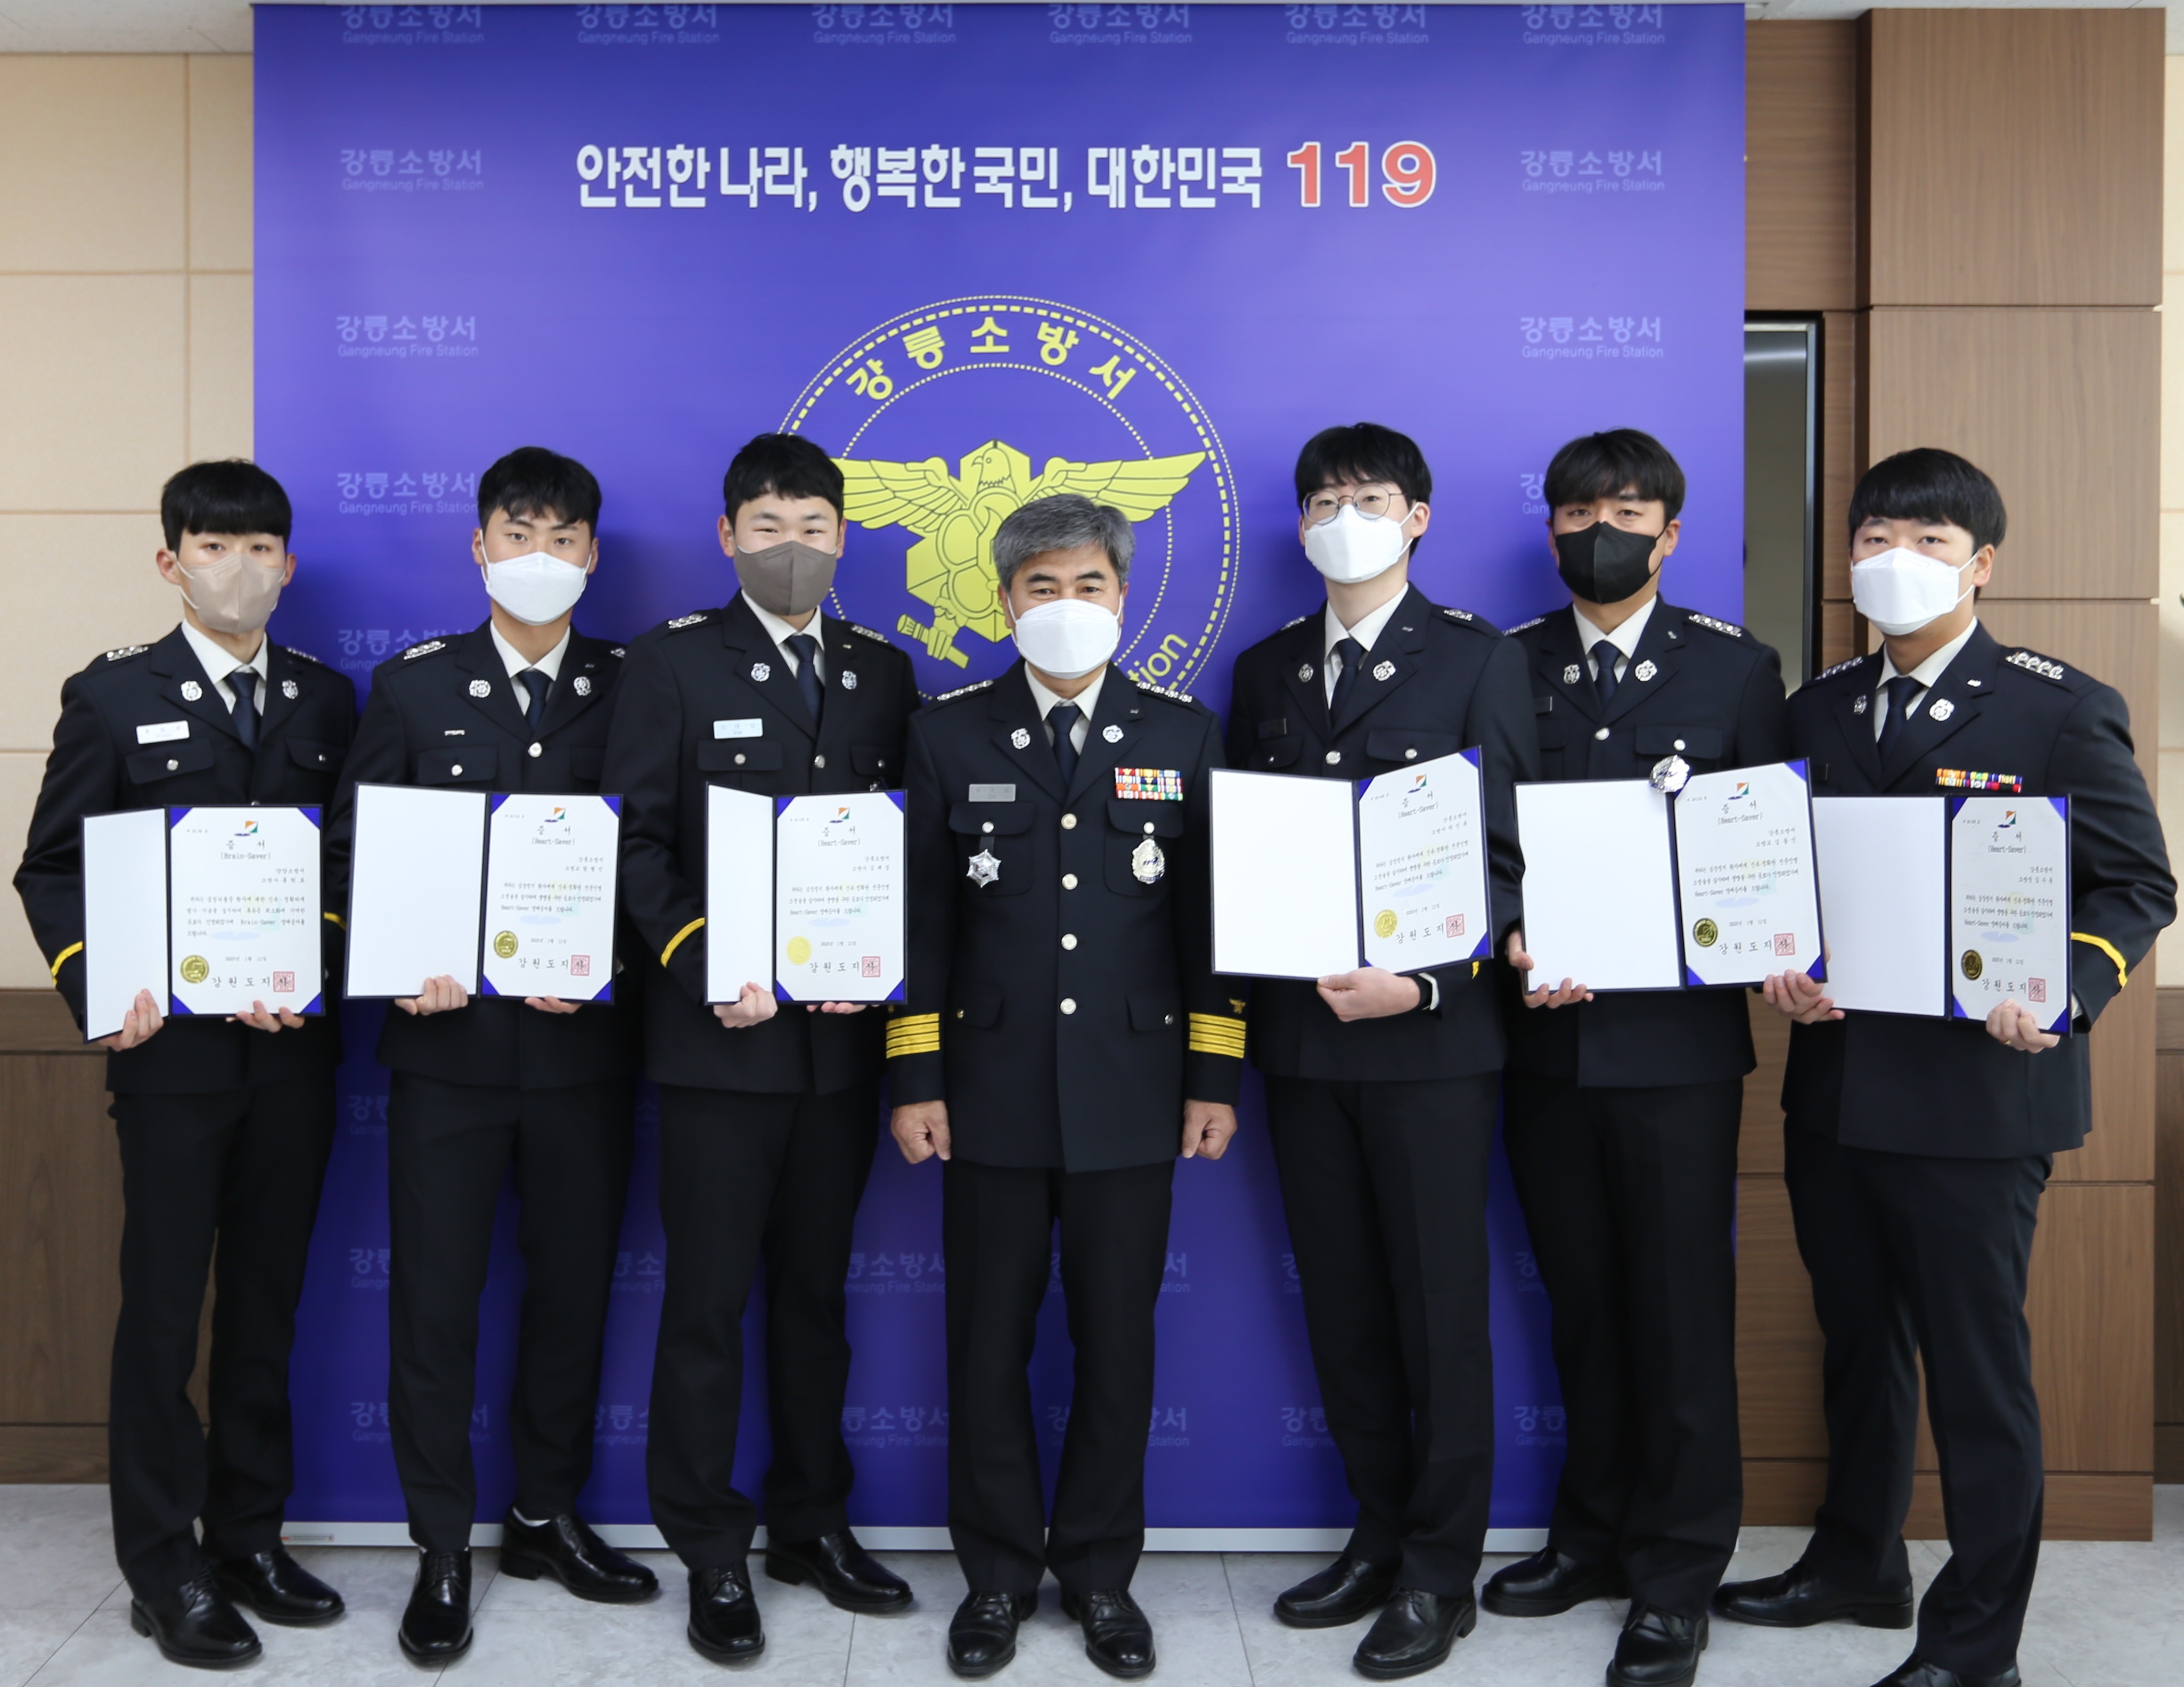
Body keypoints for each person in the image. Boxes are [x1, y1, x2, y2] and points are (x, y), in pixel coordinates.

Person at [1716, 449, 2174, 1687]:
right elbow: (1781, 880)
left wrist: (2065, 989)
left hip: (1980, 1098)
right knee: (1856, 1346)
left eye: (1927, 541)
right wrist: (1780, 961)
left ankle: (1975, 1647)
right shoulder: (1814, 708)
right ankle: (1855, 1565)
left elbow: (2136, 884)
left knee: (1977, 1377)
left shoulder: (2055, 707)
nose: (1895, 560)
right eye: (1875, 537)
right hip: (1836, 1089)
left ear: (1980, 566)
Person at [886, 493, 1241, 1681]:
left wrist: (1212, 1076)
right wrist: (916, 1077)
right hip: (983, 1092)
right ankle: (994, 1576)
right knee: (984, 1346)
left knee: (1117, 1347)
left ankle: (1097, 1575)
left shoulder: (1183, 735)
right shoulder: (947, 735)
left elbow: (1207, 931)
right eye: (1042, 587)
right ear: (1004, 602)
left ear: (1122, 598)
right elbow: (921, 928)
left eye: (1088, 584)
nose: (1066, 604)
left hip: (1133, 1092)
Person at [13, 461, 354, 1669]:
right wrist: (99, 990)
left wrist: (307, 963)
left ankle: (248, 1538)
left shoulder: (325, 699)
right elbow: (52, 867)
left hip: (291, 1056)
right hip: (168, 1061)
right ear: (171, 562)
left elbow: (345, 865)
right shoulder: (113, 695)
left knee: (264, 1307)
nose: (238, 568)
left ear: (288, 565)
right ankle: (164, 1567)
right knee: (163, 1314)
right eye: (214, 547)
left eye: (260, 548)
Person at [323, 446, 655, 1664]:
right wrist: (397, 960)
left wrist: (611, 964)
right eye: (519, 533)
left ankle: (542, 1516)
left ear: (592, 555)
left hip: (584, 1055)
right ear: (478, 546)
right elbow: (355, 851)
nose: (540, 555)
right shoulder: (413, 687)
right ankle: (441, 1545)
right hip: (447, 1054)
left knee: (571, 1297)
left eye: (563, 537)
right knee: (435, 1303)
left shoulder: (635, 684)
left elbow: (657, 851)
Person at [602, 431, 921, 1666]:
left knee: (814, 1302)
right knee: (706, 1304)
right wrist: (699, 958)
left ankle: (810, 1523)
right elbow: (633, 838)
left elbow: (904, 847)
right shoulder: (671, 663)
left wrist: (871, 968)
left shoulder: (883, 670)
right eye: (768, 528)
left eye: (812, 529)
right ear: (728, 535)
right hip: (716, 1048)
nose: (791, 548)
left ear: (844, 537)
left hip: (839, 1055)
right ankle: (708, 1546)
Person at [1223, 422, 1535, 1680]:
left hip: (1430, 1044)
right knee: (1343, 1306)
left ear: (1416, 517)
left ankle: (1439, 1571)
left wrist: (1424, 980)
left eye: (1367, 498)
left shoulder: (1474, 658)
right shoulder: (1264, 669)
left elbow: (1508, 858)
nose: (1342, 519)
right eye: (1321, 502)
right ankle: (1375, 1532)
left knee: (1437, 1313)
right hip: (1302, 1044)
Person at [1484, 428, 1789, 1687]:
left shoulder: (1734, 667)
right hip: (1543, 1042)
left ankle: (1676, 1572)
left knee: (1677, 1314)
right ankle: (1591, 1536)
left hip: (1675, 1054)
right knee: (1583, 1308)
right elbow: (1480, 834)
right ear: (1549, 529)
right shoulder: (1502, 664)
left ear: (1669, 534)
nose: (1597, 531)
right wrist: (1508, 928)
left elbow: (1760, 849)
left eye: (1623, 512)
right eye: (1575, 513)